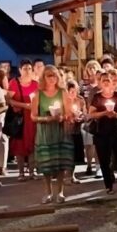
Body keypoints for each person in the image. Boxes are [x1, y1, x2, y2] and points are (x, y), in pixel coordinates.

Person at [31, 65, 74, 203]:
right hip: (44, 132)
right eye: (48, 75)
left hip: (59, 130)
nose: (51, 78)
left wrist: (62, 117)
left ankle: (60, 192)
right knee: (46, 164)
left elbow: (68, 113)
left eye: (54, 75)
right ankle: (48, 192)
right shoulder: (38, 94)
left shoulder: (62, 92)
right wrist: (47, 118)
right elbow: (33, 116)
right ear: (43, 77)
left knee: (60, 161)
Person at [89, 70, 117, 194]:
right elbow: (91, 113)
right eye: (104, 81)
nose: (107, 83)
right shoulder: (97, 97)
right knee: (104, 159)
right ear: (100, 83)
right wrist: (104, 113)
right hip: (101, 132)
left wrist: (116, 115)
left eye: (108, 80)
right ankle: (109, 185)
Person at [7, 59, 39, 180]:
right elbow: (9, 100)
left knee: (33, 143)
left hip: (32, 118)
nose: (27, 71)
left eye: (30, 68)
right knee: (19, 145)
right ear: (20, 70)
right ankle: (21, 172)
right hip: (20, 118)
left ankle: (32, 171)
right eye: (25, 68)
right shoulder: (14, 83)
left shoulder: (36, 84)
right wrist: (24, 105)